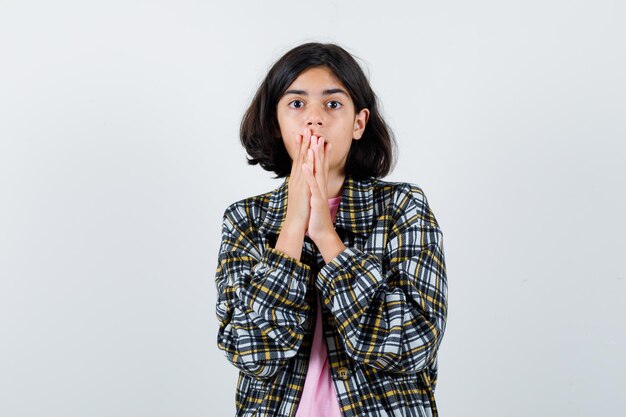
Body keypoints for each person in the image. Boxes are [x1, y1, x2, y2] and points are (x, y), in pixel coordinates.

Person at [214, 42, 448, 417]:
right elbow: (251, 352)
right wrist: (293, 224)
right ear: (276, 124)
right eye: (296, 104)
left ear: (359, 123)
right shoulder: (245, 220)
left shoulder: (403, 207)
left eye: (333, 104)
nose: (314, 119)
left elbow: (412, 344)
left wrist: (326, 235)